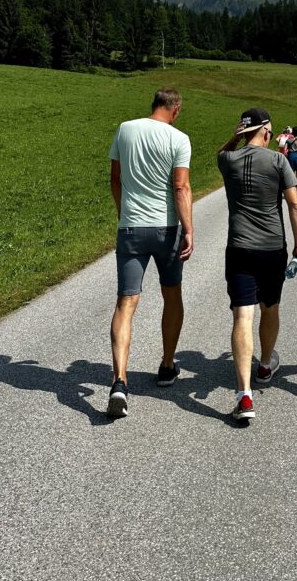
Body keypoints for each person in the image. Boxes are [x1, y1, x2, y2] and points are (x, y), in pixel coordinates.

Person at [106, 88, 194, 418]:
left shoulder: (125, 129)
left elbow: (115, 179)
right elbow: (181, 186)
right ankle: (167, 366)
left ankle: (119, 381)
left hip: (131, 227)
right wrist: (189, 228)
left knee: (126, 302)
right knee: (172, 295)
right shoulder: (179, 138)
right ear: (175, 108)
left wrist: (122, 213)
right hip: (167, 228)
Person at [218, 108, 297, 421]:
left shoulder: (228, 160)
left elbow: (222, 151)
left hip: (239, 247)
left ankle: (244, 396)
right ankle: (265, 366)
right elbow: (295, 204)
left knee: (243, 315)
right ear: (267, 132)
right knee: (270, 308)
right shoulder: (279, 161)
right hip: (272, 249)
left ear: (243, 131)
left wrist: (237, 136)